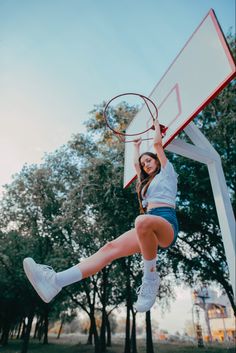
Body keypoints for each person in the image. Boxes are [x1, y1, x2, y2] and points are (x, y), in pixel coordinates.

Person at [23, 119, 179, 312]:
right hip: (147, 225)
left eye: (149, 160)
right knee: (109, 248)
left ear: (157, 160)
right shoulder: (145, 184)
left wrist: (156, 127)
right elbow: (135, 166)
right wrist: (136, 147)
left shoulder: (167, 172)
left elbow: (157, 144)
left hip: (166, 224)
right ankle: (56, 281)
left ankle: (150, 279)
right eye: (143, 162)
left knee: (142, 220)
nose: (145, 164)